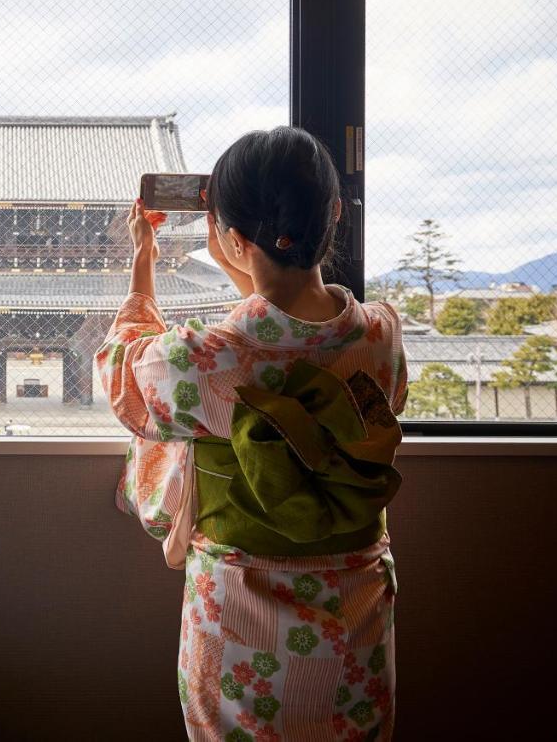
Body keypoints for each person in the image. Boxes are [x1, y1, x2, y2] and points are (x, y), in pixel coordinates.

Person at [98, 126, 408, 741]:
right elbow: (293, 322)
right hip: (355, 601)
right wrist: (246, 263)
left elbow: (125, 376)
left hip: (242, 608)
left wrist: (143, 263)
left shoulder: (202, 360)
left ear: (233, 239)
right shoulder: (381, 336)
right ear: (335, 214)